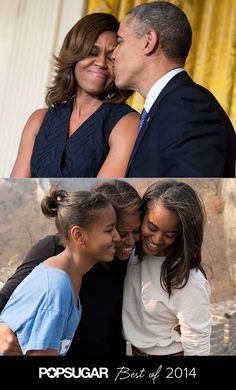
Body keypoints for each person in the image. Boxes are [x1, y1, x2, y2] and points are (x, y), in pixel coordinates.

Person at [0, 180, 142, 356]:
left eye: (136, 231)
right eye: (115, 230)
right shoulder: (55, 256)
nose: (129, 240)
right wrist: (2, 329)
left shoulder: (131, 259)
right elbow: (9, 299)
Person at [112, 1, 236, 178]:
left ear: (149, 41)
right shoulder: (169, 105)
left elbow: (188, 199)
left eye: (120, 42)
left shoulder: (189, 107)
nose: (114, 54)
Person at [11, 13, 139, 178]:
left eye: (110, 57)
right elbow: (14, 195)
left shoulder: (127, 124)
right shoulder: (38, 120)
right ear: (74, 55)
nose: (101, 63)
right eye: (92, 52)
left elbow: (100, 200)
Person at [122, 180, 211, 356]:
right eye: (152, 227)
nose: (156, 239)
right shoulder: (132, 253)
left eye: (170, 234)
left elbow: (198, 343)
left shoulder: (189, 280)